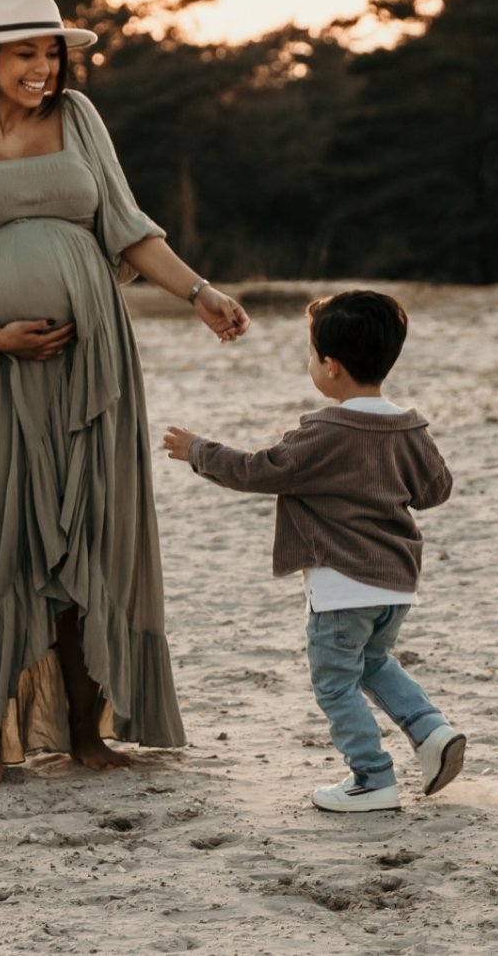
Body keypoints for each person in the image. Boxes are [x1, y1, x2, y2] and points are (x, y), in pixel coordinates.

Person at [0, 0, 250, 784]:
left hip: (94, 365)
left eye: (53, 53)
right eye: (27, 53)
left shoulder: (80, 118)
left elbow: (127, 228)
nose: (44, 69)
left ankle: (88, 729)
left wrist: (199, 292)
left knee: (93, 530)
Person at [161, 290, 465, 812]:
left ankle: (372, 778)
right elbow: (435, 491)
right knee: (372, 662)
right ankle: (432, 732)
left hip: (342, 586)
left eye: (310, 354)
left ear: (331, 366)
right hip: (396, 583)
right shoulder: (408, 425)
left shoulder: (324, 431)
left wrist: (199, 451)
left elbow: (258, 471)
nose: (310, 364)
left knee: (334, 683)